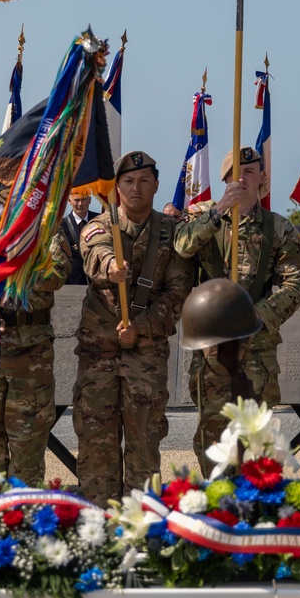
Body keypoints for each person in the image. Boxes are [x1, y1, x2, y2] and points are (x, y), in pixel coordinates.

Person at [174, 146, 300, 477]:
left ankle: (252, 506)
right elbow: (182, 247)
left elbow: (294, 286)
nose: (242, 179)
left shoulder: (279, 228)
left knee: (255, 435)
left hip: (256, 345)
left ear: (263, 178)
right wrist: (220, 209)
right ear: (224, 179)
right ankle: (217, 502)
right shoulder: (203, 215)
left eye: (250, 172)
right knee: (213, 431)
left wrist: (254, 316)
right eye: (235, 174)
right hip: (212, 347)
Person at [73, 151, 193, 505]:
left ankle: (141, 528)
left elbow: (178, 292)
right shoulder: (100, 225)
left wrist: (140, 327)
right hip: (99, 354)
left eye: (144, 181)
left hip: (147, 353)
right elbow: (94, 253)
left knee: (144, 443)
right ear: (117, 187)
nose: (135, 187)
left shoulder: (173, 233)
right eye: (127, 181)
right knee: (96, 444)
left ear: (156, 185)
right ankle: (98, 520)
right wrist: (112, 267)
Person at [0, 232, 72, 484]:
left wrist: (13, 267)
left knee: (27, 447)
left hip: (30, 354)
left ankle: (23, 516)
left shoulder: (46, 230)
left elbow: (56, 275)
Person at [178, 278, 263, 406]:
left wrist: (254, 314)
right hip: (207, 318)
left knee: (253, 414)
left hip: (252, 328)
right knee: (212, 414)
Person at [60, 190, 98, 285]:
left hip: (97, 280)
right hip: (73, 283)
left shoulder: (99, 221)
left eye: (83, 199)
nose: (80, 204)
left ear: (89, 200)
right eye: (76, 200)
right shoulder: (61, 226)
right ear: (70, 201)